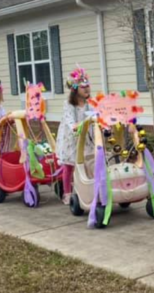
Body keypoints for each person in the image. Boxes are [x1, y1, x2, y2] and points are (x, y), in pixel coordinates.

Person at [56, 65, 93, 205]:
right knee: (69, 165)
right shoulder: (69, 104)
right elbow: (70, 122)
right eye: (84, 87)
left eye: (88, 86)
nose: (87, 89)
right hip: (71, 138)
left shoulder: (89, 103)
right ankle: (67, 193)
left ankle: (85, 188)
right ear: (75, 89)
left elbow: (95, 116)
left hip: (86, 137)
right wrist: (78, 125)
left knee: (86, 163)